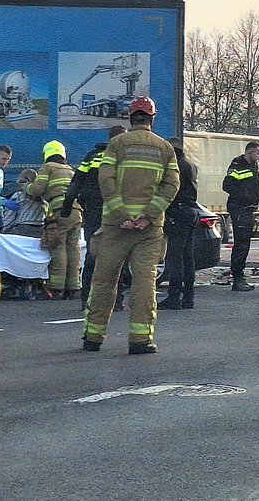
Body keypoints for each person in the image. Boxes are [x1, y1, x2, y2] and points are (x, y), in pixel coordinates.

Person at [82, 97, 179, 354]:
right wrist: (148, 215)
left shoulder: (117, 144)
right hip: (149, 230)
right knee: (144, 282)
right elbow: (171, 186)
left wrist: (122, 215)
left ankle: (93, 337)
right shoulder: (165, 148)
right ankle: (140, 339)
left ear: (130, 117)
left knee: (104, 281)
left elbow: (106, 180)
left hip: (115, 227)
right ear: (152, 118)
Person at [63, 125, 130, 309]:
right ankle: (115, 300)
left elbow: (76, 182)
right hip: (117, 212)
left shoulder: (93, 156)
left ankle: (87, 299)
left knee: (93, 254)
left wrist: (67, 207)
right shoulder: (126, 157)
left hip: (93, 211)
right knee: (118, 256)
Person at [26, 140, 83, 299]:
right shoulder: (70, 170)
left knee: (58, 246)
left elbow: (37, 190)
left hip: (60, 210)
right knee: (74, 249)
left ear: (46, 154)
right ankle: (73, 287)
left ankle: (57, 287)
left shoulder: (48, 167)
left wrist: (26, 186)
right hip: (77, 211)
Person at [157, 136, 200, 310]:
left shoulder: (176, 166)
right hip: (190, 211)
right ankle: (188, 297)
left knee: (174, 257)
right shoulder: (190, 164)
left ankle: (174, 297)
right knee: (188, 257)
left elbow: (170, 189)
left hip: (178, 213)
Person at [223, 140, 259, 291]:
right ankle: (237, 279)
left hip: (247, 209)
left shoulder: (253, 166)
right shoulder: (238, 164)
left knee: (244, 243)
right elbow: (227, 185)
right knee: (241, 244)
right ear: (250, 152)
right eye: (257, 153)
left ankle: (239, 277)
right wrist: (244, 197)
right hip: (240, 209)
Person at [1, 169, 46, 237]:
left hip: (23, 228)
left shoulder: (19, 195)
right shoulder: (44, 196)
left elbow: (9, 217)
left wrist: (3, 232)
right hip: (41, 229)